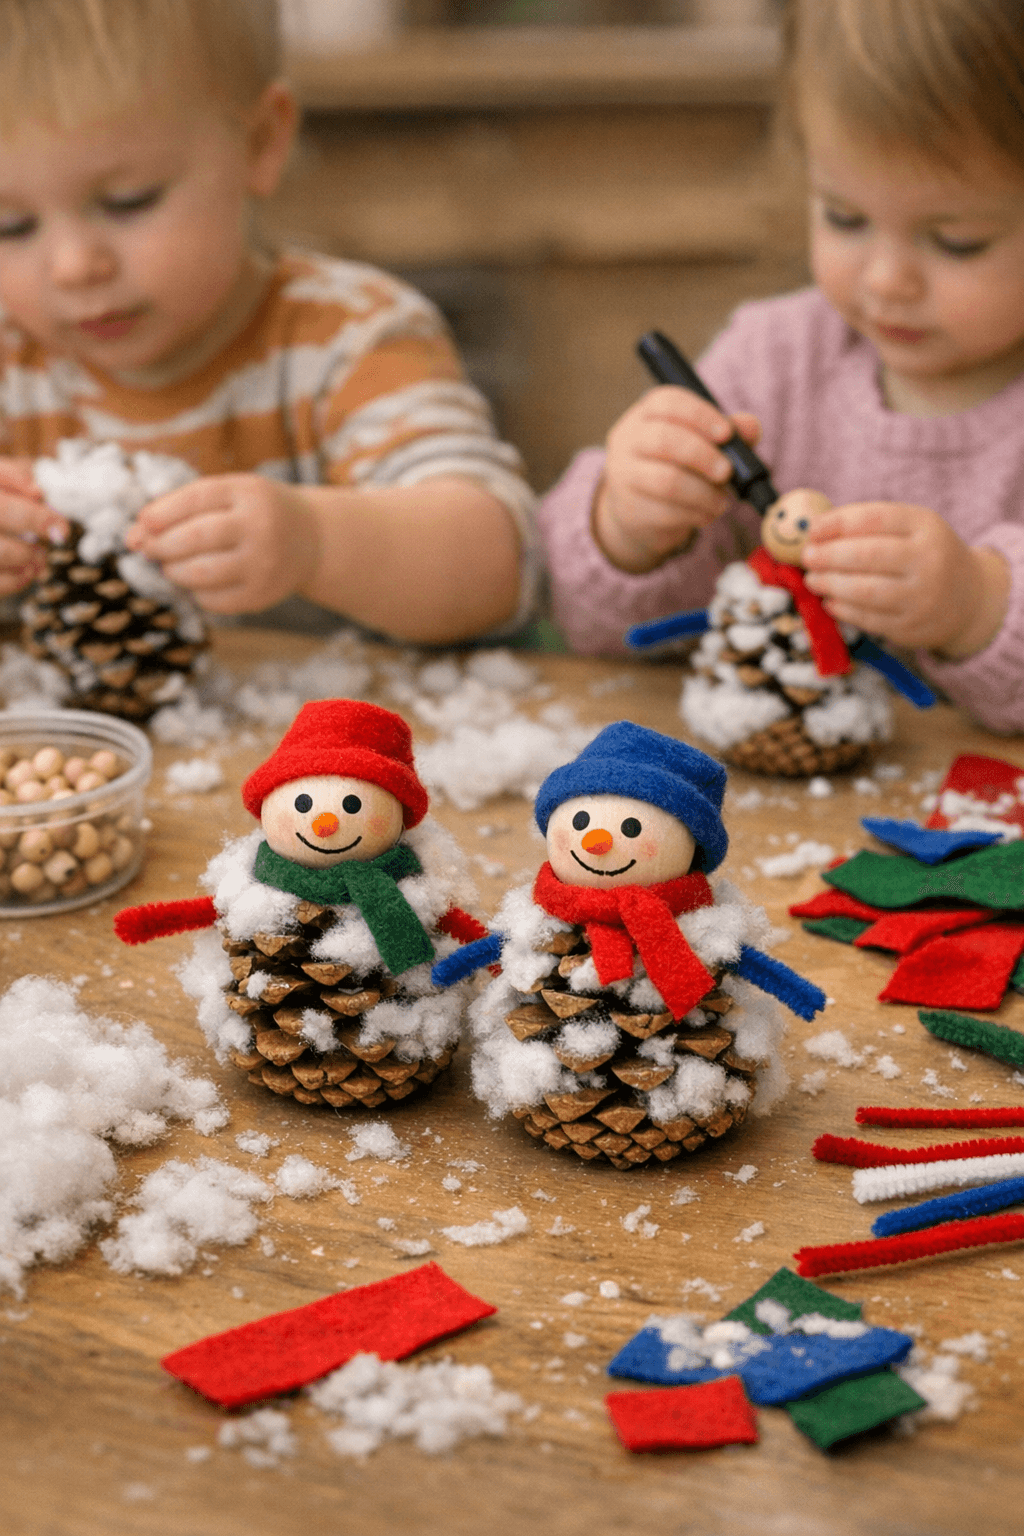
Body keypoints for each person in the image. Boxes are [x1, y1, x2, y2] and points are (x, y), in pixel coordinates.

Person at [539, 0, 1024, 732]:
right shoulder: (776, 359)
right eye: (844, 217)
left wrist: (979, 605)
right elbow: (596, 630)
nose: (887, 279)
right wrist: (630, 530)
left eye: (957, 241)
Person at [0, 0, 537, 643]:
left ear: (260, 144)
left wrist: (314, 543)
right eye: (11, 226)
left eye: (127, 202)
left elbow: (499, 571)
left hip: (329, 734)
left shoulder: (354, 339)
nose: (73, 266)